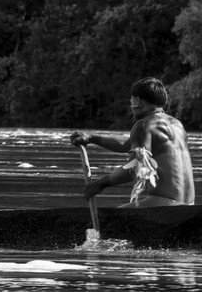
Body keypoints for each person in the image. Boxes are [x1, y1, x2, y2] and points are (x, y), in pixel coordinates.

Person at [70, 77, 194, 208]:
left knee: (115, 218)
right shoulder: (177, 125)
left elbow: (136, 167)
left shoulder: (144, 125)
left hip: (166, 205)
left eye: (132, 99)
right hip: (190, 205)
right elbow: (126, 144)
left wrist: (100, 184)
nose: (130, 103)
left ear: (138, 101)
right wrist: (91, 138)